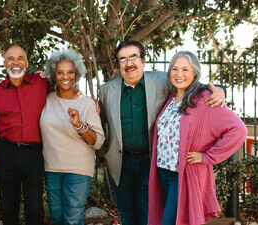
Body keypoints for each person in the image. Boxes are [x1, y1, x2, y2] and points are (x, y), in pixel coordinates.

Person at [98, 40, 226, 225]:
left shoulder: (162, 81)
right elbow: (101, 124)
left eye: (133, 57)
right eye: (123, 59)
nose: (128, 63)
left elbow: (193, 86)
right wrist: (102, 155)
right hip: (120, 163)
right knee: (126, 215)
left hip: (150, 162)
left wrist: (221, 91)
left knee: (148, 215)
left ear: (143, 59)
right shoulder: (106, 90)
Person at [147, 51, 247, 225]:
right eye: (175, 69)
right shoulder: (171, 97)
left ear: (195, 73)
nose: (179, 74)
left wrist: (207, 156)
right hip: (163, 172)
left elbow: (238, 130)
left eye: (185, 69)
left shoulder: (205, 98)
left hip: (182, 176)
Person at [0, 45, 52, 225]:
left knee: (35, 207)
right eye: (10, 58)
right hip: (6, 151)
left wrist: (88, 101)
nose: (16, 62)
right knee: (8, 206)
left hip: (34, 153)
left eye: (20, 58)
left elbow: (65, 94)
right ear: (4, 63)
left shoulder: (41, 82)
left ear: (27, 62)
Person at [40, 49, 105, 225]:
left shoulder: (87, 103)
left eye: (70, 72)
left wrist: (79, 124)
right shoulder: (46, 99)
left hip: (78, 170)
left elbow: (97, 141)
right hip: (52, 168)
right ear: (53, 75)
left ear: (77, 75)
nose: (65, 77)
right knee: (56, 219)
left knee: (73, 220)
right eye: (60, 72)